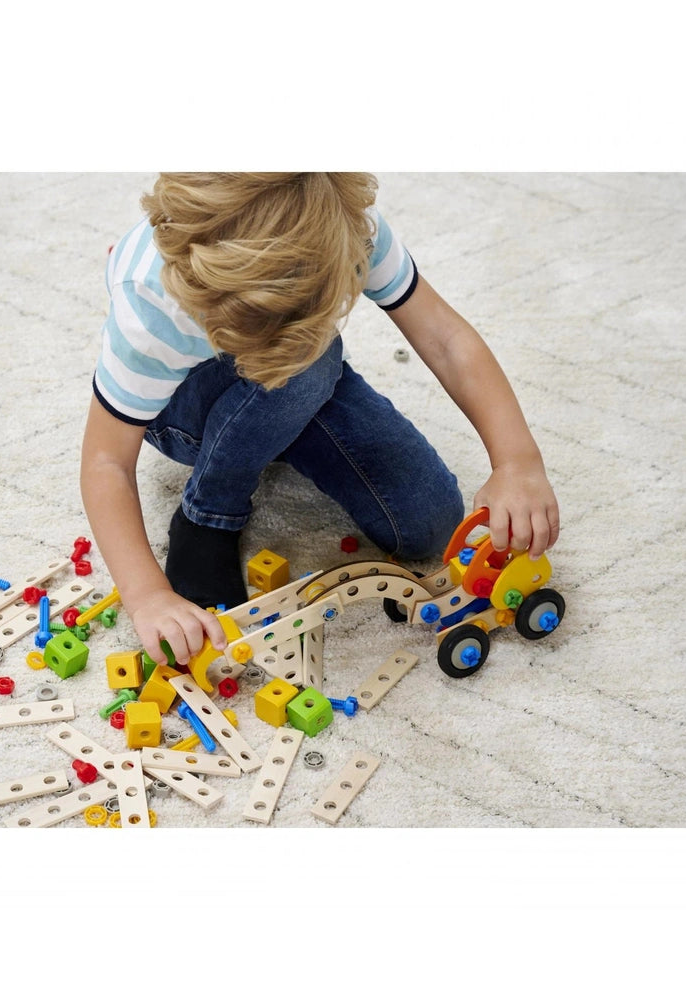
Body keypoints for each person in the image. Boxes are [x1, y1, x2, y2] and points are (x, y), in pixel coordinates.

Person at [80, 173, 559, 668]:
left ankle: (289, 400)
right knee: (303, 370)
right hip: (181, 407)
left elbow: (444, 337)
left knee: (430, 523)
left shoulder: (346, 227)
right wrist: (146, 595)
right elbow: (105, 461)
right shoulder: (151, 300)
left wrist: (517, 461)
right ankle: (209, 513)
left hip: (306, 372)